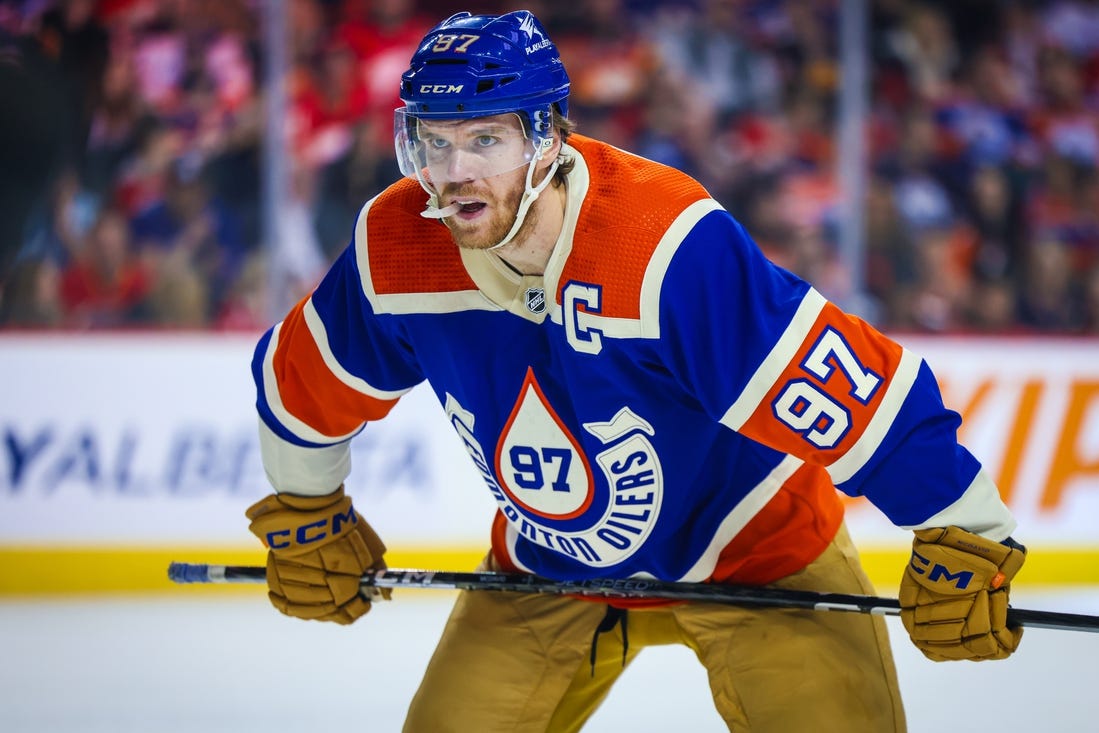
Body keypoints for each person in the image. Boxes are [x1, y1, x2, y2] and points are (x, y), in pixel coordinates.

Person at [243, 10, 1026, 733]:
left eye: (485, 140)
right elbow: (303, 387)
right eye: (433, 141)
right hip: (549, 570)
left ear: (546, 139)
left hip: (759, 557)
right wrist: (309, 513)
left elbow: (858, 391)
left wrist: (967, 531)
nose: (453, 172)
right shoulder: (396, 244)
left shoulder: (660, 247)